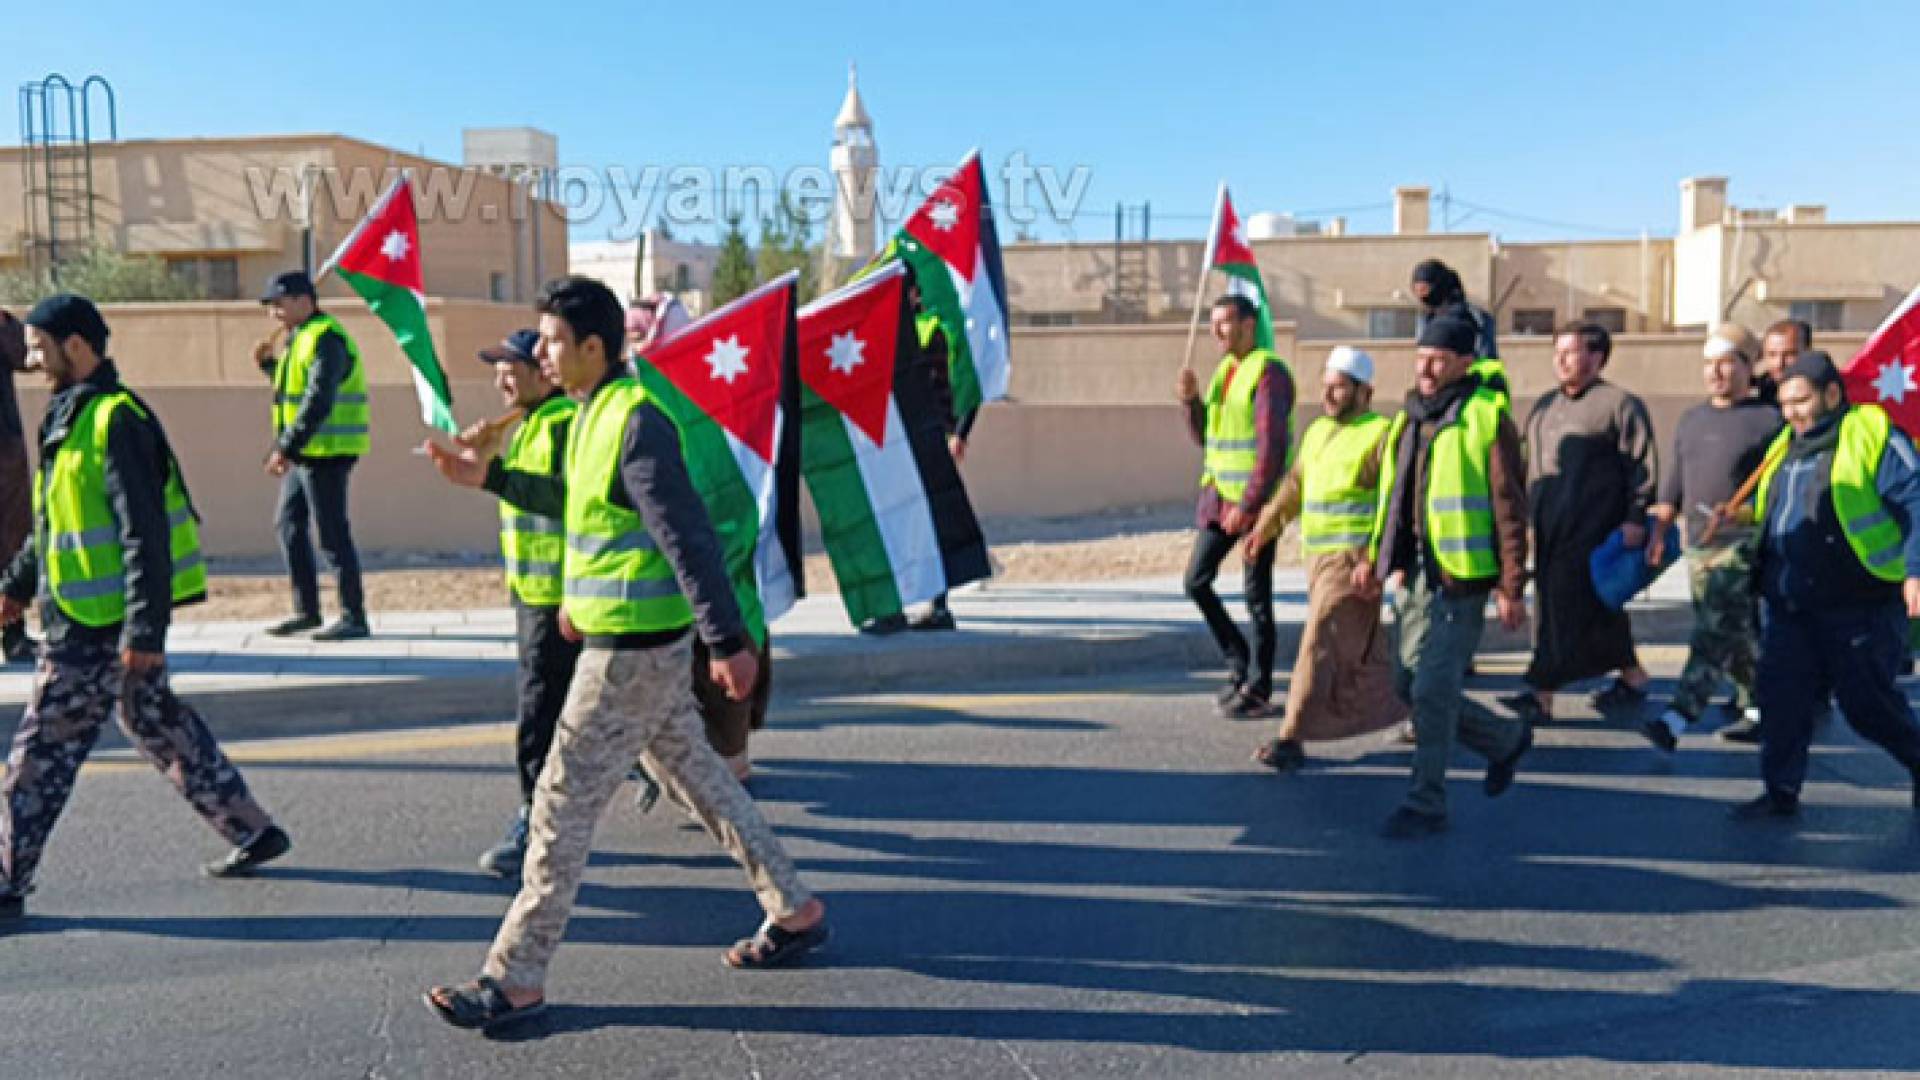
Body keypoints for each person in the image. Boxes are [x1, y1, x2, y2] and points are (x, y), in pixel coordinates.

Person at [422, 276, 826, 1031]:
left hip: (631, 658)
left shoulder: (636, 421)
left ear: (592, 348)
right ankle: (794, 907)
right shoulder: (592, 415)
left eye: (550, 341)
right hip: (628, 646)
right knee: (705, 783)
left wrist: (728, 641)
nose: (540, 351)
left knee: (559, 805)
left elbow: (686, 536)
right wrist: (491, 480)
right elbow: (581, 506)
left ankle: (514, 978)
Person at [0, 295, 291, 925]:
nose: (29, 358)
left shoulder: (117, 420)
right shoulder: (70, 414)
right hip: (82, 610)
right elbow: (52, 521)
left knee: (39, 754)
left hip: (96, 625)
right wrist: (18, 585)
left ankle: (6, 881)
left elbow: (144, 537)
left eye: (38, 346)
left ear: (76, 346)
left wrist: (144, 632)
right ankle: (252, 829)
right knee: (155, 721)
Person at [1354, 313, 1532, 837]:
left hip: (1462, 578)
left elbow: (1509, 506)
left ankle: (1426, 803)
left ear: (1464, 363)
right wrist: (1376, 558)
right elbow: (1392, 497)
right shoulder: (1408, 417)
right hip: (1414, 576)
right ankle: (1504, 741)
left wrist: (1512, 585)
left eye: (1437, 359)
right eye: (1420, 359)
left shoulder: (1485, 416)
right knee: (1408, 682)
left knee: (1432, 689)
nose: (1425, 369)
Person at [1731, 350, 1920, 820]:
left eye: (1801, 400)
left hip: (1859, 604)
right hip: (1789, 603)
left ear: (1832, 394)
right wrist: (1741, 517)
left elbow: (1917, 499)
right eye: (1785, 403)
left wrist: (1916, 569)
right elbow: (1779, 509)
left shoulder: (1871, 434)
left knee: (1867, 705)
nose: (1791, 411)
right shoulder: (1785, 445)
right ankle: (1779, 791)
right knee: (1782, 700)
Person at [429, 329, 583, 878]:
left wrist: (490, 475)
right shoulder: (528, 424)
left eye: (510, 367)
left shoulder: (565, 423)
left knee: (538, 718)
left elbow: (566, 498)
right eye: (497, 368)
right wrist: (491, 450)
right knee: (581, 713)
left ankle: (534, 822)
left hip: (561, 599)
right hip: (534, 593)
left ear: (545, 373)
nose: (500, 378)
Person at [1243, 346, 1409, 771]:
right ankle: (1421, 710)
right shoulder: (1317, 431)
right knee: (1356, 654)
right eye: (1327, 386)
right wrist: (1265, 527)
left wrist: (1375, 559)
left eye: (1340, 388)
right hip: (1317, 562)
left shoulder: (1381, 433)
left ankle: (1290, 737)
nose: (1330, 395)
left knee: (1317, 643)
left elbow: (1391, 502)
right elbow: (1295, 485)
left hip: (1352, 564)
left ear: (1364, 392)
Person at [1503, 323, 1658, 725]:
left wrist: (1636, 518)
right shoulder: (1543, 407)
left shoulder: (1619, 404)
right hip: (1549, 529)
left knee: (1562, 610)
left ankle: (1541, 695)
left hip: (1596, 529)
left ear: (1597, 357)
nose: (1561, 359)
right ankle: (1633, 676)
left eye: (1571, 352)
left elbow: (1641, 466)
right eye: (1558, 351)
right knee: (1592, 611)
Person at [1640, 325, 1781, 752]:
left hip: (1741, 543)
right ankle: (1762, 707)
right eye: (1708, 363)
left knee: (1711, 631)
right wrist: (1659, 532)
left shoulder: (1768, 420)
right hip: (1698, 543)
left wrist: (1745, 511)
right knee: (1735, 633)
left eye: (1726, 362)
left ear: (1747, 366)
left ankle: (1677, 717)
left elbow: (1776, 487)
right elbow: (1673, 486)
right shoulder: (1692, 419)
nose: (1715, 372)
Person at [1176, 294, 1295, 718]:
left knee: (1256, 596)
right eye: (1213, 324)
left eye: (1224, 323)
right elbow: (1207, 436)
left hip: (1255, 505)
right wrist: (1191, 402)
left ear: (1248, 325)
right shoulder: (1225, 371)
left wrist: (1249, 506)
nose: (1216, 332)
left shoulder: (1269, 373)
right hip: (1219, 499)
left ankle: (1259, 686)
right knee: (1196, 582)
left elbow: (1272, 449)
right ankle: (1239, 661)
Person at [253, 271, 370, 642]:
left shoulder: (326, 339)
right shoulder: (299, 338)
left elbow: (318, 400)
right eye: (270, 306)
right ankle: (306, 611)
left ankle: (354, 616)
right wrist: (269, 367)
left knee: (332, 534)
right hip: (307, 453)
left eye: (279, 304)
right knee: (288, 526)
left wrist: (286, 447)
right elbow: (295, 390)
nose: (274, 313)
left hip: (327, 452)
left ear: (305, 301)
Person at [0, 310, 36, 663]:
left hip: (4, 457)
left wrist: (5, 324)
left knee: (11, 545)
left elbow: (28, 357)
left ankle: (13, 635)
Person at [1751, 318, 1812, 408]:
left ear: (1808, 352)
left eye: (1789, 354)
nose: (1779, 363)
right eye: (1772, 354)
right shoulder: (1753, 393)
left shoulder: (1824, 392)